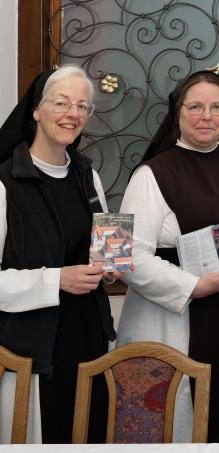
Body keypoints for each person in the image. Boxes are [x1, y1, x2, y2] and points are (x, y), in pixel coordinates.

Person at [117, 70, 219, 442]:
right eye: (196, 106)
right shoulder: (150, 174)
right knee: (182, 423)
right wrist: (192, 285)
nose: (207, 116)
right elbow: (126, 255)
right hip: (179, 318)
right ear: (178, 112)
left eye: (217, 107)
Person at [0, 66, 116, 443]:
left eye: (83, 106)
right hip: (31, 351)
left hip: (87, 341)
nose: (73, 114)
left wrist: (111, 268)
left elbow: (103, 250)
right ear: (36, 110)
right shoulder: (4, 184)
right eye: (62, 102)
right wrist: (57, 279)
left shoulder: (88, 175)